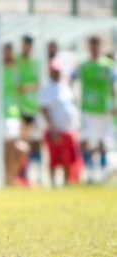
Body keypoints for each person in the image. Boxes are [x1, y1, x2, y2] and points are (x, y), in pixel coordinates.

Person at [74, 37, 115, 183]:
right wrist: (75, 100)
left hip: (104, 109)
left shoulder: (108, 65)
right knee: (86, 141)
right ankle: (89, 170)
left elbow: (113, 85)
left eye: (97, 46)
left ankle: (102, 171)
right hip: (87, 109)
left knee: (103, 141)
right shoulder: (83, 65)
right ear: (88, 47)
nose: (94, 49)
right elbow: (73, 80)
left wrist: (114, 104)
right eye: (92, 46)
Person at [39, 60, 82, 186]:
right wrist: (52, 129)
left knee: (68, 159)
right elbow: (44, 110)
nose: (56, 73)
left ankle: (66, 183)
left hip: (68, 129)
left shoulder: (65, 86)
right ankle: (52, 183)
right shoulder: (47, 88)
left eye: (58, 71)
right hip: (56, 130)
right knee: (54, 159)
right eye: (54, 71)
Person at [1, 43, 30, 186]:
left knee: (19, 147)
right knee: (8, 146)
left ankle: (11, 178)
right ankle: (8, 178)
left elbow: (20, 89)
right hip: (1, 114)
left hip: (13, 114)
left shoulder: (15, 70)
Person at [16, 35, 42, 185]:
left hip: (33, 108)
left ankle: (34, 172)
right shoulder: (18, 61)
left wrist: (27, 88)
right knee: (22, 142)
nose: (27, 47)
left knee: (35, 142)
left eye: (29, 45)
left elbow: (37, 84)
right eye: (25, 45)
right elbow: (18, 87)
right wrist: (28, 87)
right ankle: (23, 174)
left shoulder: (35, 62)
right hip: (22, 108)